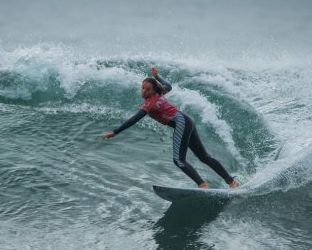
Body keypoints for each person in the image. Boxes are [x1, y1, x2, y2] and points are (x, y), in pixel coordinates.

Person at [102, 67, 239, 189]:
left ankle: (203, 185)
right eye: (142, 88)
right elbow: (168, 86)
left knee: (179, 160)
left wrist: (115, 132)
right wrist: (157, 76)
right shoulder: (158, 94)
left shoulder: (149, 104)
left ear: (153, 90)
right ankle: (231, 182)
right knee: (204, 157)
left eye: (147, 89)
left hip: (181, 122)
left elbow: (134, 119)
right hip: (187, 120)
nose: (144, 91)